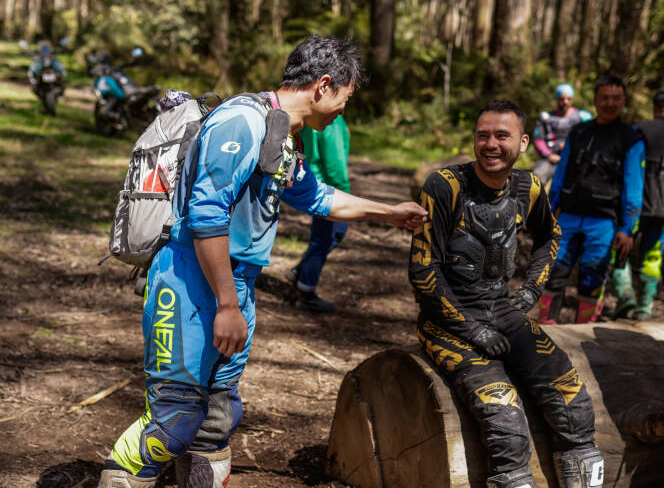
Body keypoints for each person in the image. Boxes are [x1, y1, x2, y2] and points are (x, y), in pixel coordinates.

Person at [98, 35, 427, 488]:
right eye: (345, 99)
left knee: (218, 415)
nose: (342, 111)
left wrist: (389, 212)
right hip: (192, 280)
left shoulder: (281, 134)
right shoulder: (242, 122)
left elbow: (317, 196)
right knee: (174, 418)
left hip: (238, 282)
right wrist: (227, 305)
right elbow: (207, 215)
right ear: (323, 86)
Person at [409, 100, 603, 488]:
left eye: (502, 136)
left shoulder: (528, 187)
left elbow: (551, 235)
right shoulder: (445, 185)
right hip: (445, 321)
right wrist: (472, 330)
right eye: (483, 136)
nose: (491, 145)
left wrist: (531, 291)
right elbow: (423, 269)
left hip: (503, 312)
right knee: (505, 419)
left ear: (524, 142)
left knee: (574, 404)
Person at [537, 76, 645, 324]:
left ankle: (582, 333)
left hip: (604, 222)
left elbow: (634, 187)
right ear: (595, 101)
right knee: (553, 273)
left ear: (624, 101)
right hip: (568, 217)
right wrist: (549, 212)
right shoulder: (578, 132)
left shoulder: (631, 139)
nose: (610, 103)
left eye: (616, 98)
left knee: (592, 278)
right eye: (604, 98)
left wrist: (628, 229)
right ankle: (545, 329)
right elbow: (561, 173)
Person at [609, 88, 664, 320]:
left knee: (618, 250)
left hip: (634, 207)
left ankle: (625, 296)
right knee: (652, 257)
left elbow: (628, 169)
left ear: (655, 108)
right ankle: (644, 309)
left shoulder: (639, 131)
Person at [285, 114, 351, 313]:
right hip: (329, 188)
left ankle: (300, 272)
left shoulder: (312, 117)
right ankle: (306, 290)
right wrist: (345, 193)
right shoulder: (332, 121)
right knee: (324, 239)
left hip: (314, 181)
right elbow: (335, 162)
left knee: (326, 237)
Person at [531, 83, 593, 185]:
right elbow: (538, 139)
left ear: (572, 99)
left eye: (569, 99)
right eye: (562, 99)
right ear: (557, 99)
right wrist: (549, 155)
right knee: (537, 178)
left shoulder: (583, 117)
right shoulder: (547, 118)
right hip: (551, 159)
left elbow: (589, 138)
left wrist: (571, 146)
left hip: (575, 159)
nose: (565, 102)